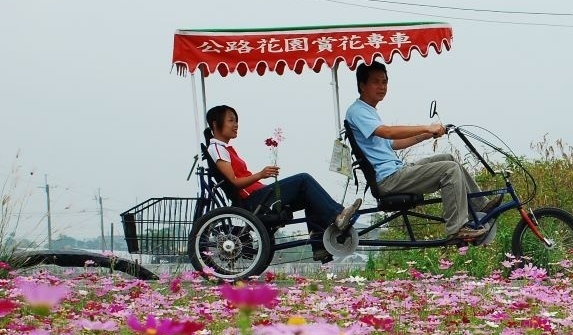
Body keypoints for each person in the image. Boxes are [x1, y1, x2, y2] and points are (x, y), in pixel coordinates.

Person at [345, 61, 501, 245]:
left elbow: (393, 143)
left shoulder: (369, 111)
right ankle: (457, 229)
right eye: (376, 82)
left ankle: (481, 206)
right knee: (449, 170)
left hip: (397, 170)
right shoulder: (357, 111)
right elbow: (387, 132)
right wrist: (426, 126)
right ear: (362, 85)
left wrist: (426, 134)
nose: (382, 87)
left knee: (448, 159)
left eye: (385, 82)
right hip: (389, 179)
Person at [203, 105, 361, 263]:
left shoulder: (225, 148)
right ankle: (337, 215)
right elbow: (235, 182)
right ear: (215, 124)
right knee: (303, 180)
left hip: (261, 194)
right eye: (231, 120)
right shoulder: (217, 148)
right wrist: (261, 174)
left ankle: (319, 247)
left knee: (308, 196)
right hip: (255, 200)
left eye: (236, 121)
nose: (236, 124)